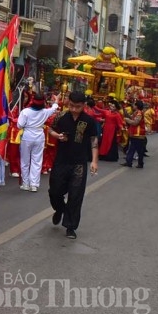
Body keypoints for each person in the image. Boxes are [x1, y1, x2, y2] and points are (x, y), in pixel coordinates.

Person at [47, 91, 99, 240]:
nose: (74, 109)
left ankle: (70, 226)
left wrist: (94, 161)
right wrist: (56, 136)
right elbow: (50, 129)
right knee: (54, 191)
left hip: (79, 163)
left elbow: (94, 141)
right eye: (71, 106)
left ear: (83, 105)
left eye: (77, 106)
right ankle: (60, 209)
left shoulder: (89, 121)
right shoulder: (61, 116)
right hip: (61, 161)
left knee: (75, 195)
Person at [17, 93, 58, 192]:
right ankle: (34, 184)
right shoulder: (45, 112)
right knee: (37, 161)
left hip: (27, 136)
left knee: (25, 161)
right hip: (39, 136)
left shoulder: (25, 111)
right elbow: (54, 107)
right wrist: (56, 100)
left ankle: (26, 184)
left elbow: (19, 125)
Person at [123, 100, 151, 169]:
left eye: (134, 105)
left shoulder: (139, 113)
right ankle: (129, 161)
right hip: (134, 133)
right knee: (132, 148)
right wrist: (125, 112)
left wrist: (126, 120)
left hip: (138, 134)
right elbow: (131, 117)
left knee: (138, 150)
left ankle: (140, 163)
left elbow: (135, 122)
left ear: (137, 106)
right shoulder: (136, 112)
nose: (133, 106)